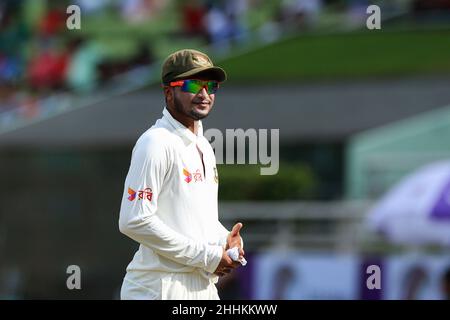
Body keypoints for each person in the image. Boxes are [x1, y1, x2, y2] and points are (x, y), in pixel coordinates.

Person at [118, 49, 245, 300]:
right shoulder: (155, 142)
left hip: (202, 286)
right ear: (168, 91)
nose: (204, 93)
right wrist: (206, 256)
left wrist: (225, 242)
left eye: (211, 85)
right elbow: (134, 220)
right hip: (158, 287)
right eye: (193, 84)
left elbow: (194, 219)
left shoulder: (204, 146)